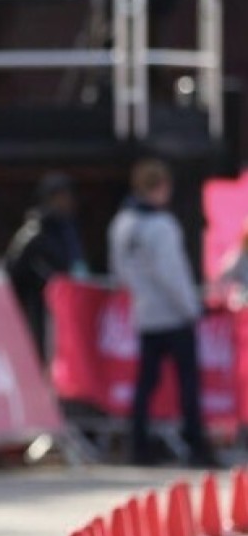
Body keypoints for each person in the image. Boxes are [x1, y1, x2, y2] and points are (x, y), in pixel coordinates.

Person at [107, 158, 219, 468]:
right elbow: (173, 274)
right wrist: (191, 308)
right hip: (172, 315)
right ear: (160, 187)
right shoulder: (162, 226)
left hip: (144, 314)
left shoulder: (122, 225)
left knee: (145, 383)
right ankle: (196, 445)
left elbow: (119, 271)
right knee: (187, 384)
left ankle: (138, 444)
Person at [4, 172, 88, 362]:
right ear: (51, 197)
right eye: (63, 196)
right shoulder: (33, 230)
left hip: (67, 304)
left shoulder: (68, 228)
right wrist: (45, 281)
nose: (68, 202)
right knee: (43, 350)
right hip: (39, 305)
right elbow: (13, 268)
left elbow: (75, 262)